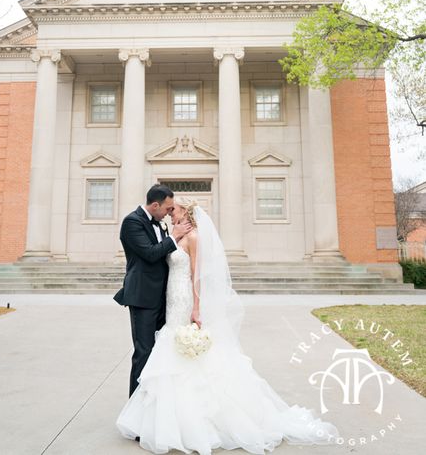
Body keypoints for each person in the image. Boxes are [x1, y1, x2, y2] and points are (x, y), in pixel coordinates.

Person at [116, 198, 339, 455]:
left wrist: (196, 308)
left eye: (173, 210)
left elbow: (196, 275)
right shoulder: (172, 233)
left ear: (185, 214)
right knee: (168, 350)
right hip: (170, 299)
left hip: (185, 299)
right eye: (167, 209)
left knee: (184, 353)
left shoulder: (194, 237)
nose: (168, 213)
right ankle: (161, 415)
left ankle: (196, 419)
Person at [114, 184, 193, 396]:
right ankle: (136, 409)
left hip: (165, 299)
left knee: (160, 353)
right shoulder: (132, 222)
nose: (169, 213)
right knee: (144, 352)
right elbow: (149, 254)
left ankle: (155, 403)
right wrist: (173, 237)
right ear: (155, 205)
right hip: (143, 297)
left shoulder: (161, 225)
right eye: (167, 209)